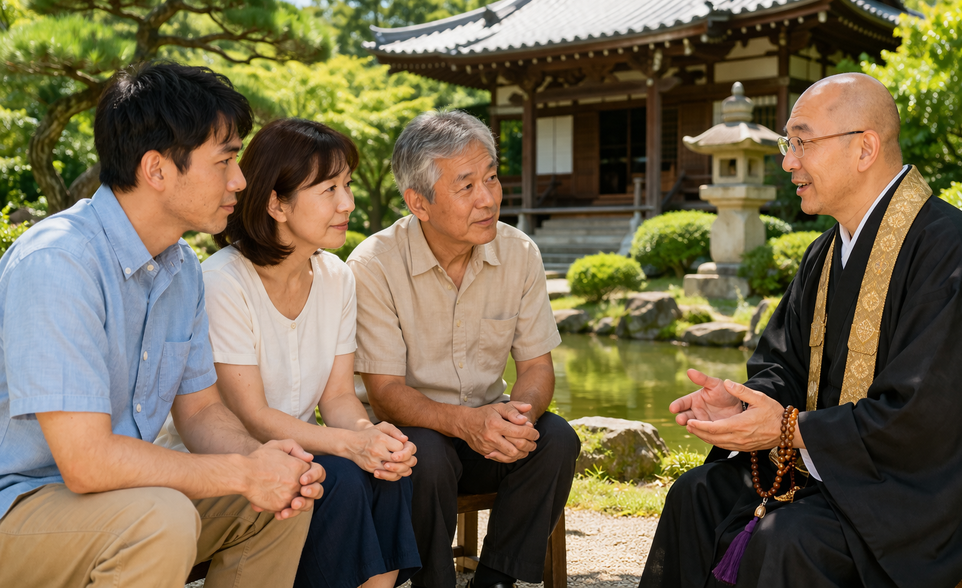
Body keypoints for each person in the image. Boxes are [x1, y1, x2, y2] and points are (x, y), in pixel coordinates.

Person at [639, 73, 962, 588]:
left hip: (922, 500)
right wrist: (744, 406)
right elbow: (782, 366)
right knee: (695, 495)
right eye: (791, 144)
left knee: (787, 537)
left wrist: (789, 430)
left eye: (802, 142)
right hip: (825, 470)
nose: (788, 161)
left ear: (865, 148)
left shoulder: (951, 252)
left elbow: (929, 420)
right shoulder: (825, 254)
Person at [0, 62, 326, 587]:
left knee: (278, 498)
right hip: (19, 507)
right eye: (224, 161)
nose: (239, 181)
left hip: (120, 499)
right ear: (157, 170)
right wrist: (242, 473)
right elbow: (86, 462)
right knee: (160, 518)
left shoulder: (182, 271)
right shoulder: (59, 262)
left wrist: (262, 461)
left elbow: (200, 412)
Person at [157, 117, 422, 588]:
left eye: (347, 185)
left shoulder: (337, 277)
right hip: (227, 459)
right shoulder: (223, 281)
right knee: (336, 477)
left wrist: (372, 437)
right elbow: (253, 416)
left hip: (303, 450)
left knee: (387, 471)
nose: (347, 203)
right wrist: (348, 445)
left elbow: (338, 398)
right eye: (328, 189)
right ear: (276, 203)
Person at [347, 110, 581, 588]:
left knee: (556, 439)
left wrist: (520, 416)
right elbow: (386, 392)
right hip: (410, 440)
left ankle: (495, 580)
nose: (488, 199)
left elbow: (537, 367)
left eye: (491, 178)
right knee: (426, 452)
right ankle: (434, 582)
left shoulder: (519, 253)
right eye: (467, 186)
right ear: (419, 202)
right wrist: (466, 424)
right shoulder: (373, 265)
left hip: (487, 431)